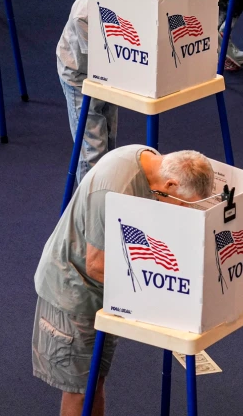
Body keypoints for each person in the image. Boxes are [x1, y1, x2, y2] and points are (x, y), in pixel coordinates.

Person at [33, 146, 214, 416]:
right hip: (74, 291)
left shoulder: (149, 161)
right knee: (80, 391)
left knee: (94, 383)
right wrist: (162, 295)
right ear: (171, 184)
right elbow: (96, 265)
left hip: (103, 292)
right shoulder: (113, 190)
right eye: (182, 203)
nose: (182, 211)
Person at [56, 0, 164, 182]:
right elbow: (105, 59)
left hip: (111, 74)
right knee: (92, 149)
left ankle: (107, 192)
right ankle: (91, 206)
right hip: (81, 75)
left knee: (109, 140)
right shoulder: (85, 15)